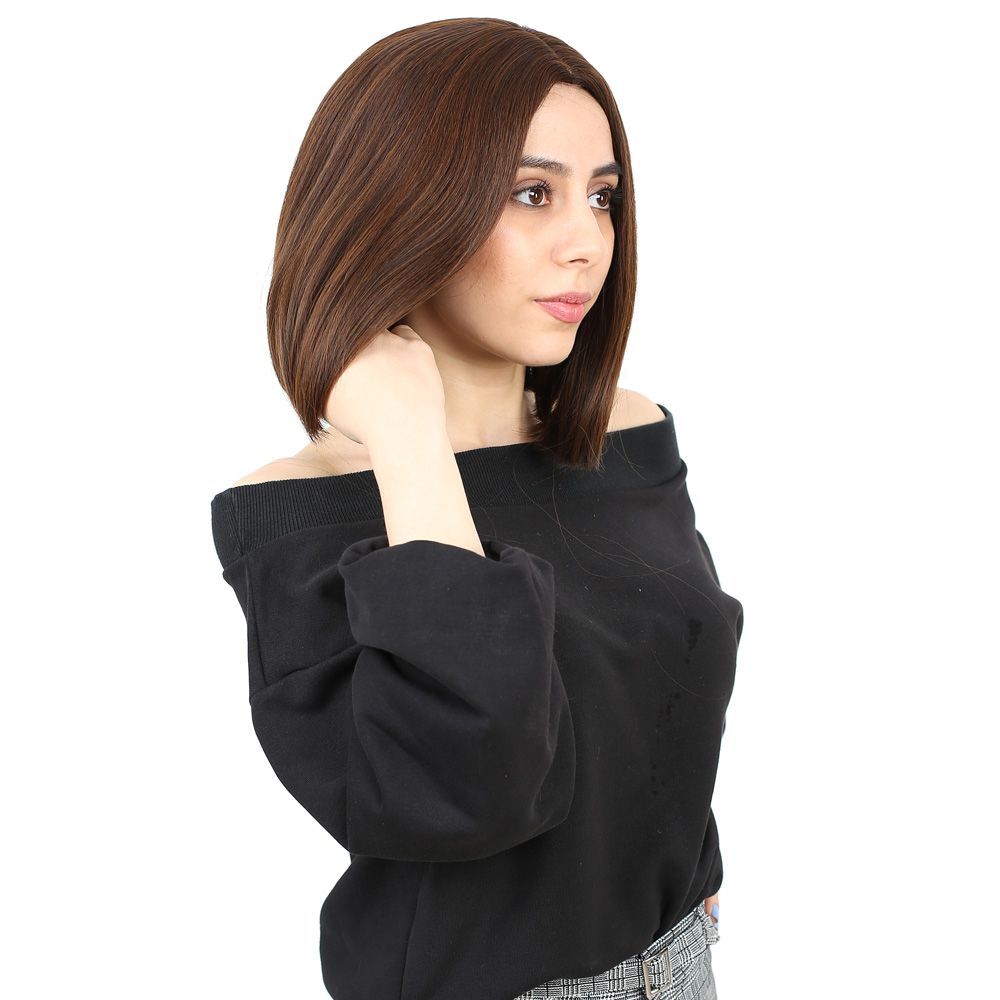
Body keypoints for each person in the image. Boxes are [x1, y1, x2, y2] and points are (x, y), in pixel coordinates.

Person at [210, 17, 743, 1000]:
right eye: (532, 194)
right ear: (402, 208)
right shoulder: (297, 513)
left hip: (683, 964)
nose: (587, 243)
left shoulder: (626, 434)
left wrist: (685, 896)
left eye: (602, 198)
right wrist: (408, 439)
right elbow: (472, 787)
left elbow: (661, 686)